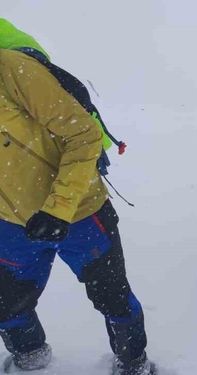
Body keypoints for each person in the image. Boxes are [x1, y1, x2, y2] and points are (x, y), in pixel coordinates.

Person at [0, 20, 153, 375]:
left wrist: (58, 209)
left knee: (112, 296)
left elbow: (83, 135)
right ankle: (30, 358)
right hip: (11, 223)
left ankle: (134, 363)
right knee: (6, 305)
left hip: (81, 213)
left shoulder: (12, 70)